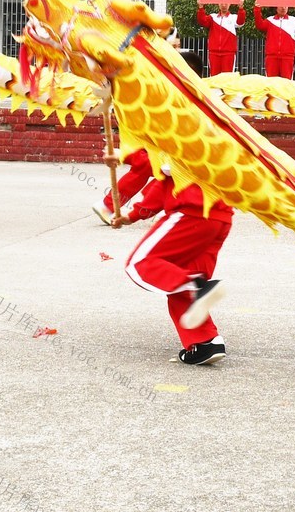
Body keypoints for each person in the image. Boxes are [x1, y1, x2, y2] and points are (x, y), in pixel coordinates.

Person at [111, 153, 233, 366]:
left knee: (139, 263)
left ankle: (198, 287)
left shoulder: (177, 137)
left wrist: (122, 156)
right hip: (219, 218)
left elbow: (156, 165)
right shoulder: (216, 142)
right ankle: (205, 343)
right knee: (176, 280)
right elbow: (165, 180)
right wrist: (132, 216)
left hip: (190, 210)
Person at [92, 51, 206, 224]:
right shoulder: (159, 90)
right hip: (140, 143)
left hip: (163, 149)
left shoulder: (191, 97)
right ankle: (110, 205)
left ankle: (155, 206)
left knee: (163, 169)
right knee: (150, 165)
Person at [253, 4, 295, 79]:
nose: (283, 8)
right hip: (272, 57)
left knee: (286, 82)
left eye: (285, 6)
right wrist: (257, 9)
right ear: (276, 7)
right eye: (281, 6)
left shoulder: (293, 20)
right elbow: (259, 25)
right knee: (271, 82)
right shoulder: (270, 20)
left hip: (287, 57)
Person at [196, 2, 246, 75]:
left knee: (227, 77)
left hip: (228, 53)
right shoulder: (213, 17)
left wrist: (241, 9)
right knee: (214, 76)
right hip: (214, 53)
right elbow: (202, 21)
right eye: (222, 3)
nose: (224, 5)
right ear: (218, 4)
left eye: (226, 3)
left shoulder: (233, 17)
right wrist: (201, 8)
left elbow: (240, 22)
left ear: (229, 4)